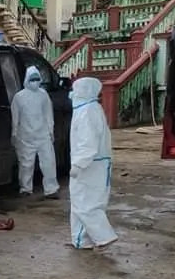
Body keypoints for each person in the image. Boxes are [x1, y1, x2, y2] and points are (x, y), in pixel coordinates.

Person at [68, 76, 117, 251]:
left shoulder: (88, 111)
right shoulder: (86, 109)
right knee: (78, 202)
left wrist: (79, 164)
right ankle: (81, 240)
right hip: (92, 162)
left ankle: (104, 236)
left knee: (85, 203)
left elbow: (88, 142)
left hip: (91, 164)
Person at [11, 67, 59, 199]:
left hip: (43, 135)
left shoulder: (43, 95)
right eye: (33, 79)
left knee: (48, 162)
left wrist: (51, 130)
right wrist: (14, 133)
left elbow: (48, 114)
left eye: (37, 79)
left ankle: (51, 189)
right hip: (25, 136)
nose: (35, 82)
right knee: (26, 164)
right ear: (27, 80)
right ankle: (25, 188)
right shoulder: (19, 97)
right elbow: (16, 117)